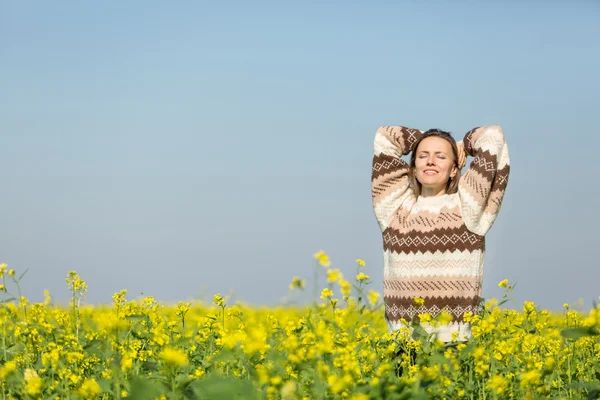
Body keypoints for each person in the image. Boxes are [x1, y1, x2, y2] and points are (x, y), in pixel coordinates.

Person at [371, 125, 510, 343]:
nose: (430, 161)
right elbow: (385, 138)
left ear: (454, 169)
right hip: (402, 345)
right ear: (414, 167)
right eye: (423, 156)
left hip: (453, 343)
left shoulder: (469, 207)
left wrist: (462, 146)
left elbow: (493, 136)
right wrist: (422, 139)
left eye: (441, 157)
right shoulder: (393, 208)